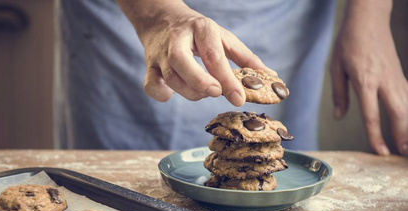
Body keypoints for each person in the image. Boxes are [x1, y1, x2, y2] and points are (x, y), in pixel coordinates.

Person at [57, 0, 407, 156]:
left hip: (283, 14)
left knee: (278, 180)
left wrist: (371, 13)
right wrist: (153, 12)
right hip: (125, 18)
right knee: (119, 187)